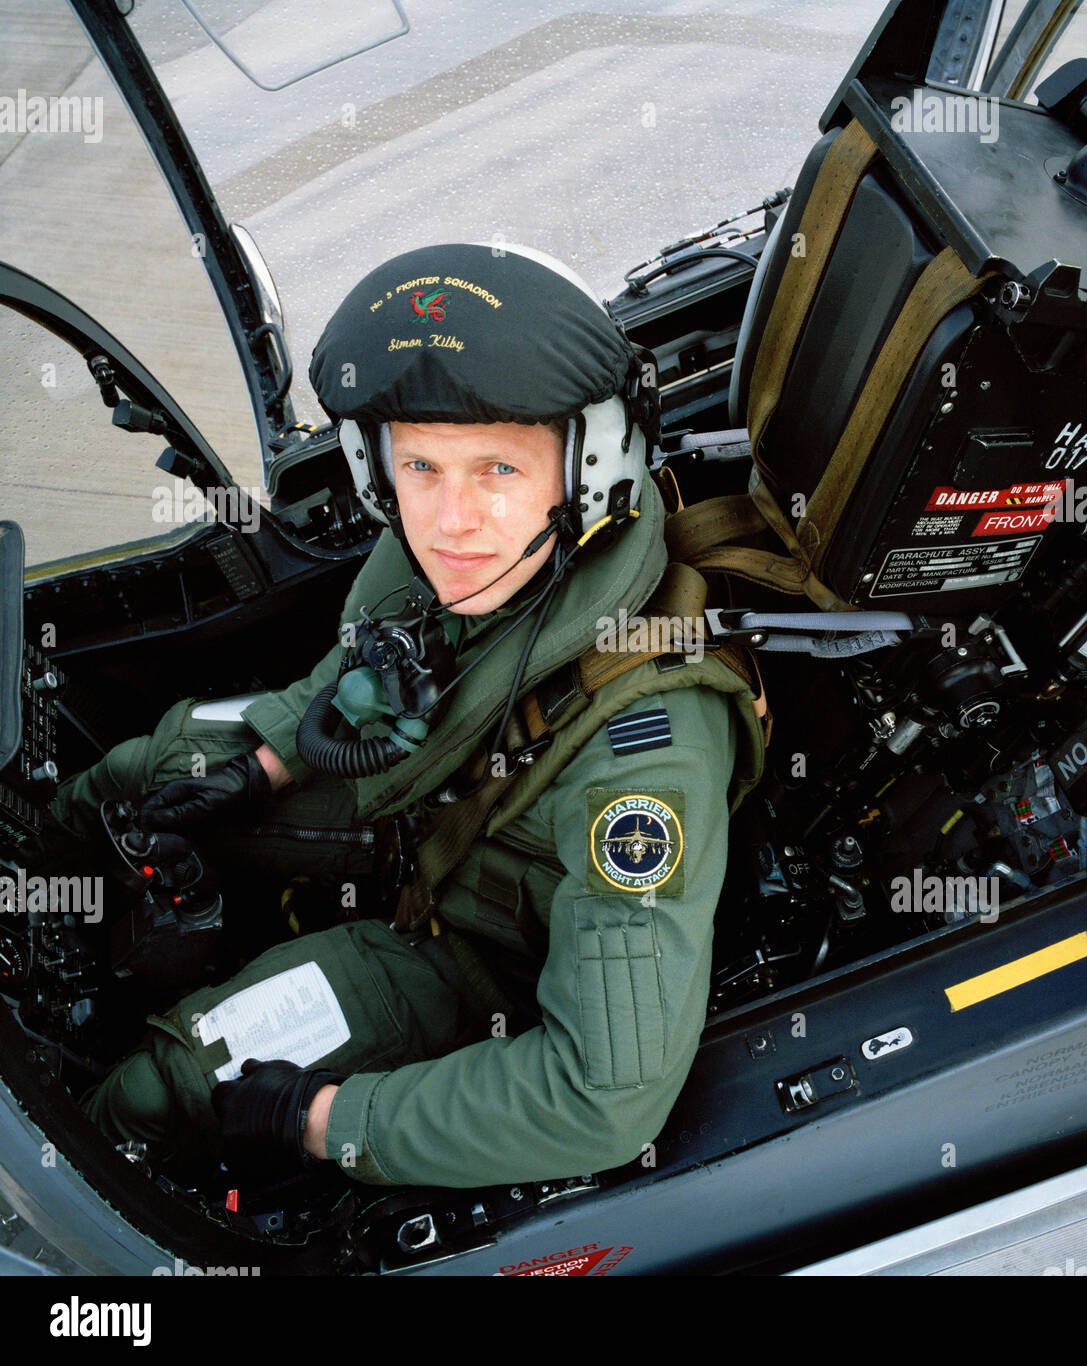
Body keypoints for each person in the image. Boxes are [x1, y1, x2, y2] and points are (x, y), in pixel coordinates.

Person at [73, 242, 766, 1188]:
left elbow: (602, 1099)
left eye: (499, 472)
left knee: (164, 1091)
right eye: (422, 466)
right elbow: (358, 675)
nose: (452, 521)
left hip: (472, 956)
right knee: (139, 774)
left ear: (590, 467)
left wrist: (318, 1120)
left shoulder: (644, 761)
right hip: (407, 799)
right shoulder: (446, 552)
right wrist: (265, 763)